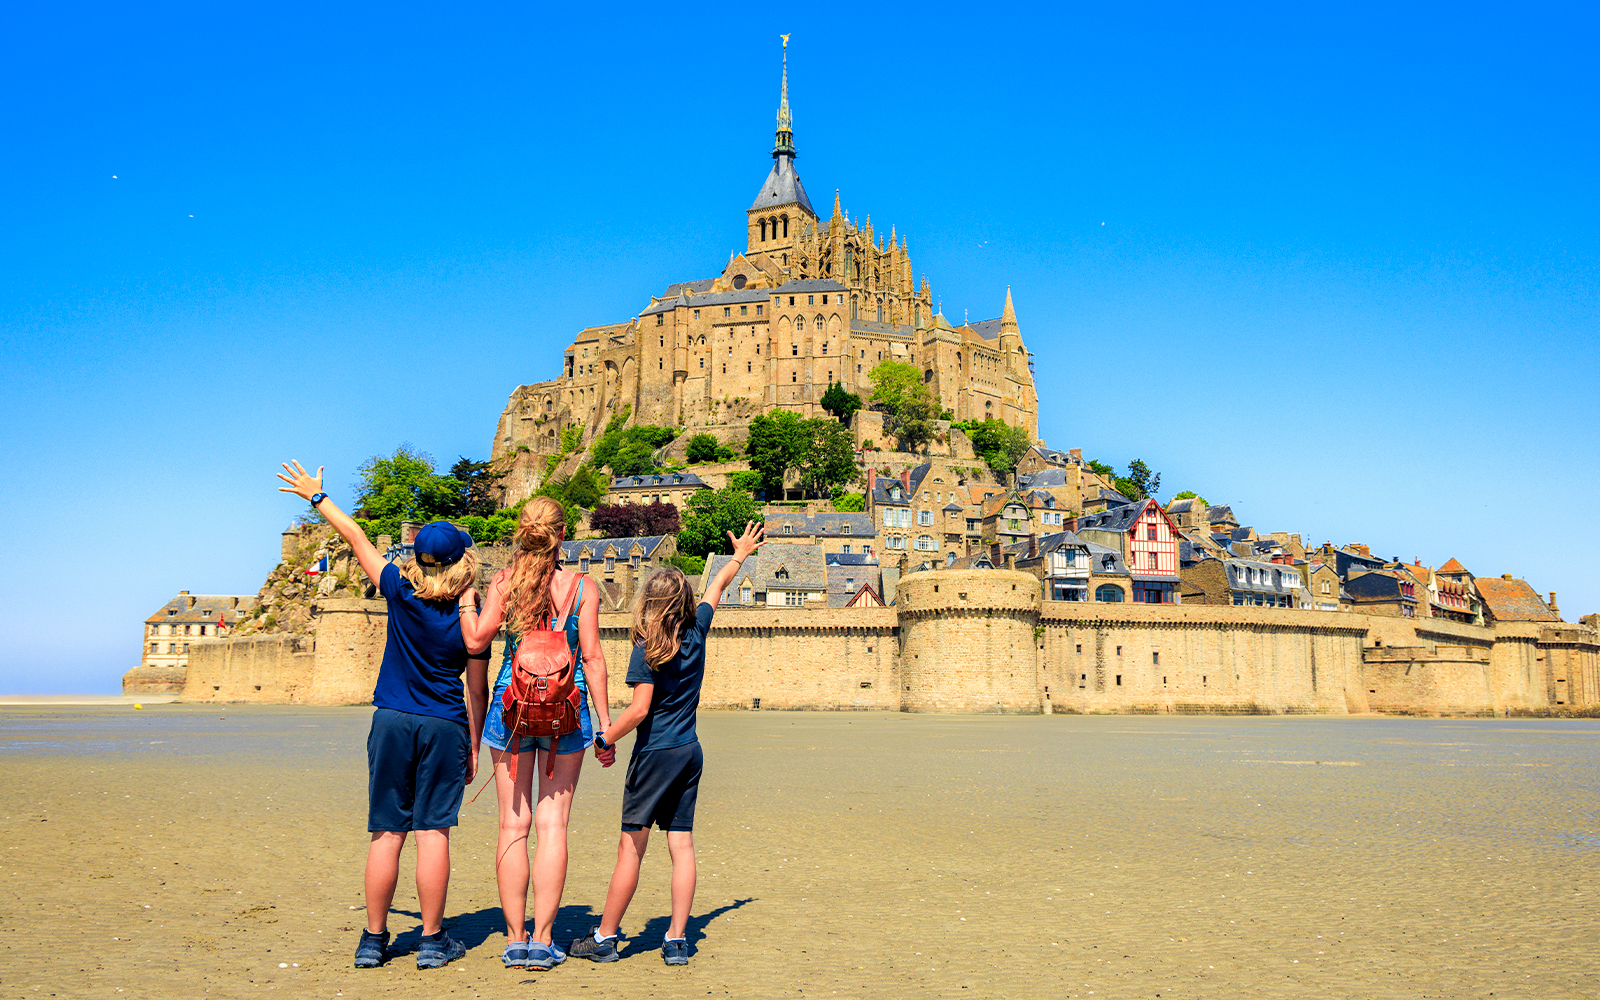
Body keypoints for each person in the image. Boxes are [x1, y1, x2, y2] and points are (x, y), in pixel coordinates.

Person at [276, 460, 489, 971]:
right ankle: (434, 941)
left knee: (387, 833)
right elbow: (476, 690)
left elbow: (356, 538)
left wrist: (316, 497)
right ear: (462, 560)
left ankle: (373, 941)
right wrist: (475, 745)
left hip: (392, 719)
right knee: (433, 832)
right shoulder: (469, 615)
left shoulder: (398, 589)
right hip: (445, 723)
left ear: (418, 557)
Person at [570, 520, 765, 967]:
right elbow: (716, 589)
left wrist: (603, 738)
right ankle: (677, 940)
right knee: (682, 845)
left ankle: (604, 938)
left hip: (655, 754)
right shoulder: (697, 631)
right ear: (685, 602)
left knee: (631, 848)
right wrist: (739, 556)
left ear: (649, 602)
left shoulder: (648, 646)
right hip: (690, 752)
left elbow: (639, 710)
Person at [461, 497, 612, 971]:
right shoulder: (583, 586)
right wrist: (605, 724)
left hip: (512, 703)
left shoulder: (505, 582)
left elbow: (476, 641)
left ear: (521, 533)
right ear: (562, 534)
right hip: (567, 705)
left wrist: (468, 597)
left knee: (512, 825)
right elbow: (593, 657)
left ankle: (515, 938)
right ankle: (544, 941)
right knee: (552, 827)